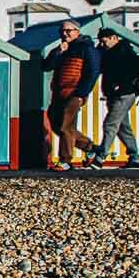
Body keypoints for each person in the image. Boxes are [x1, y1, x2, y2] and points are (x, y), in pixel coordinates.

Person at [39, 19, 101, 171]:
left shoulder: (86, 47)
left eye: (68, 30)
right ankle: (90, 147)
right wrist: (57, 52)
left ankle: (65, 160)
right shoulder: (62, 48)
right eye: (62, 31)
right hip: (59, 92)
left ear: (77, 31)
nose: (65, 33)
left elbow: (92, 71)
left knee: (66, 126)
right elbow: (46, 66)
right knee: (55, 123)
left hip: (74, 92)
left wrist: (82, 93)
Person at [91, 27, 139, 168]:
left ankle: (100, 157)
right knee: (123, 127)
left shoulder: (123, 52)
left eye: (104, 42)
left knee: (110, 124)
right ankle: (134, 158)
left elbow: (130, 71)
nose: (102, 45)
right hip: (115, 94)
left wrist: (121, 85)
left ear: (114, 38)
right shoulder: (110, 52)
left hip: (124, 94)